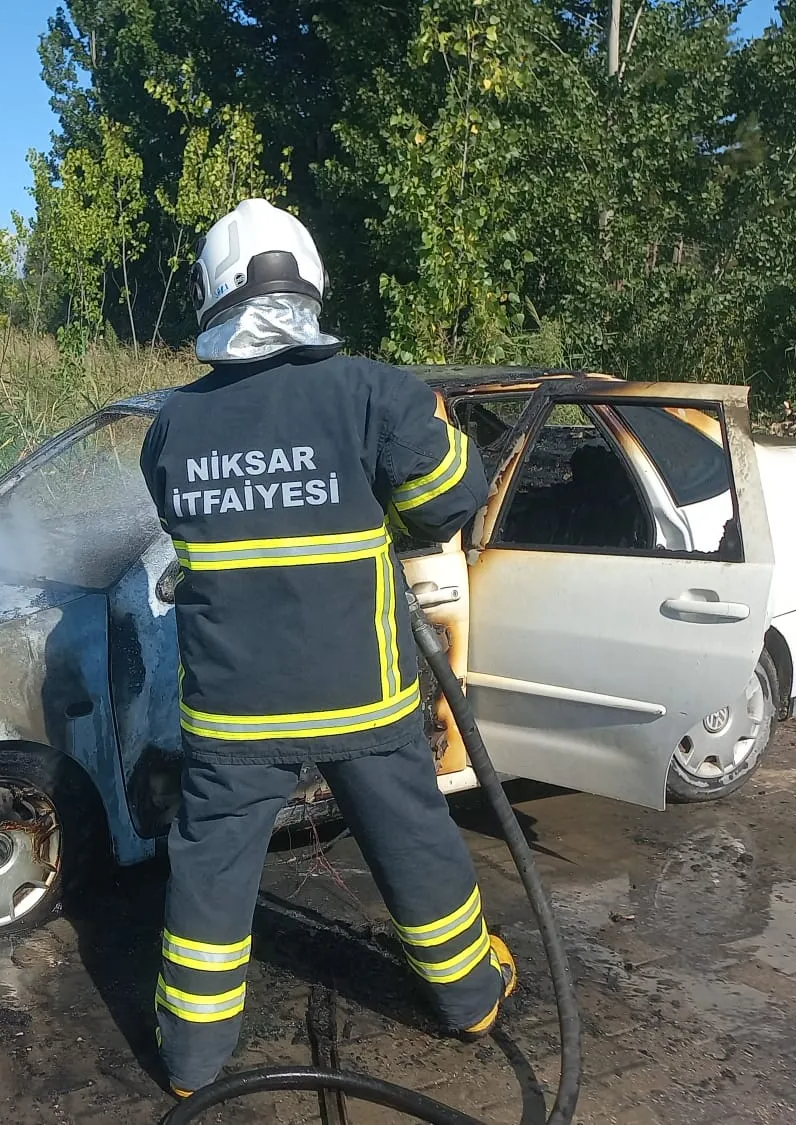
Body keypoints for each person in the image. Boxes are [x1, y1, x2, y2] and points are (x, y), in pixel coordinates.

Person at [137, 198, 515, 1098]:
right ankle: (470, 999)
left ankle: (191, 1060)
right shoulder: (374, 392)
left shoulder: (173, 424)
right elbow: (449, 501)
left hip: (233, 712)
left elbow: (184, 518)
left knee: (210, 876)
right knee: (414, 844)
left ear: (212, 297)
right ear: (310, 283)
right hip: (361, 694)